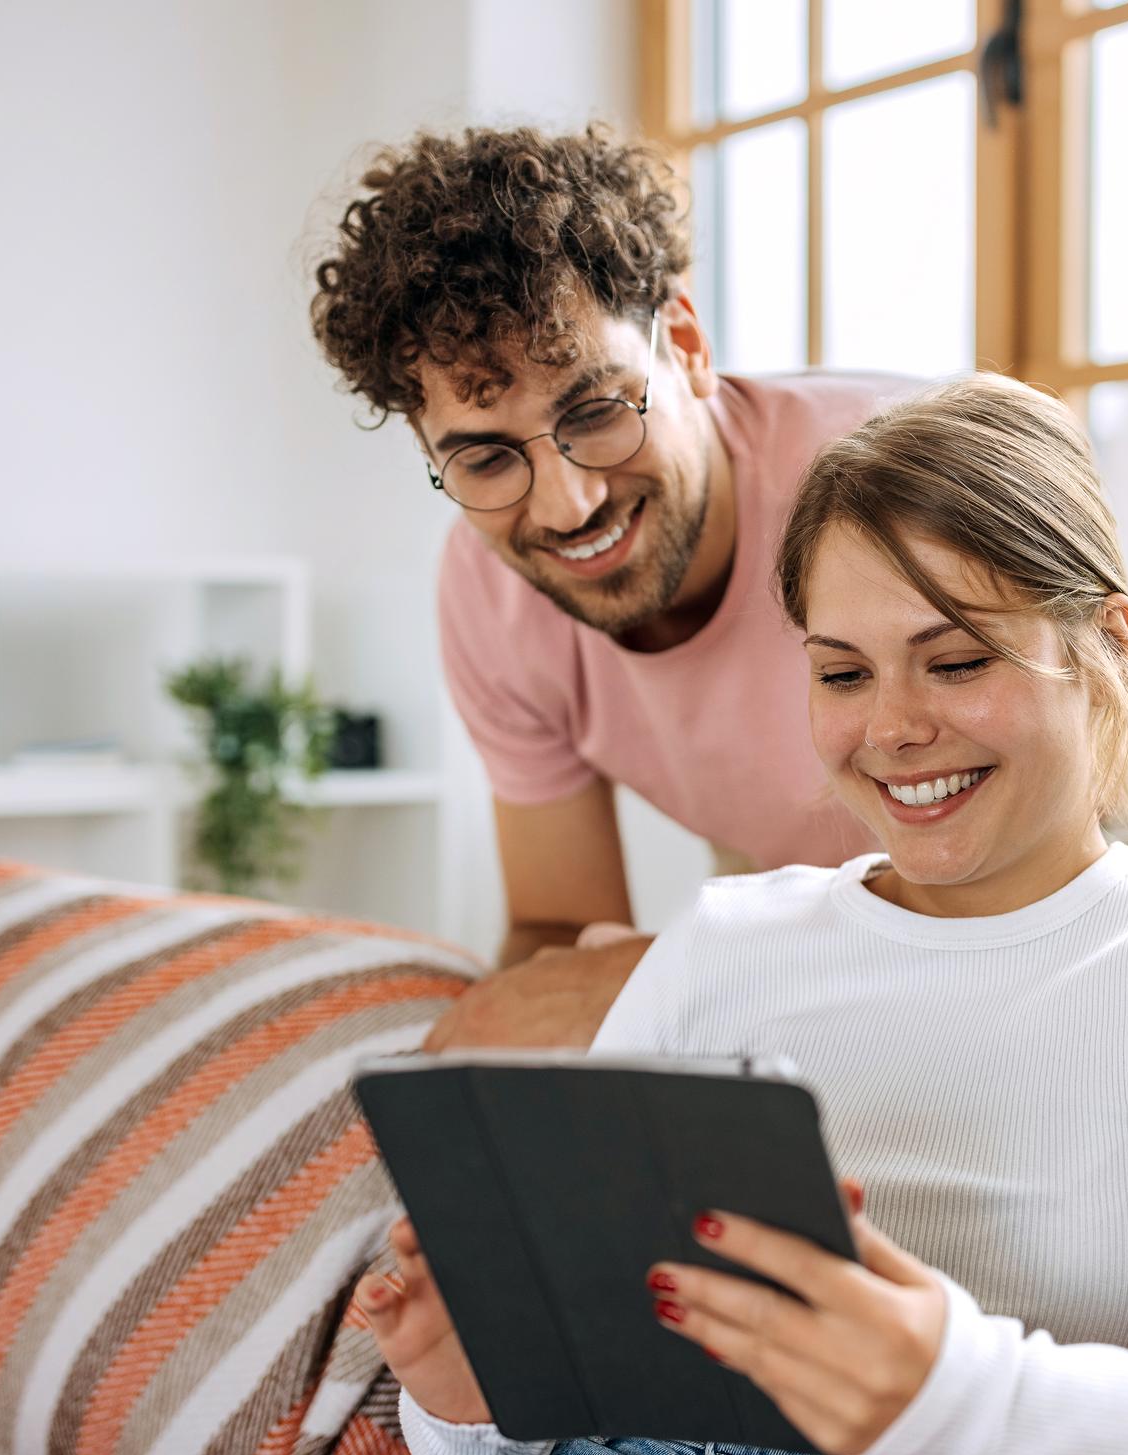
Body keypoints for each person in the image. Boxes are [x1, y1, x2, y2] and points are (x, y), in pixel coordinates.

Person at [235, 374, 1128, 1455]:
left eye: (954, 661)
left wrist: (964, 1386)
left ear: (1110, 639)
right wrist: (466, 1391)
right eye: (842, 673)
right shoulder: (731, 935)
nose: (891, 728)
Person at [307, 125, 913, 1046]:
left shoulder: (898, 489)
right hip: (798, 888)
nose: (567, 504)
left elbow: (996, 920)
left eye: (595, 412)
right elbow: (559, 930)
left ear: (685, 343)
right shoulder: (489, 596)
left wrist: (685, 969)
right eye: (484, 457)